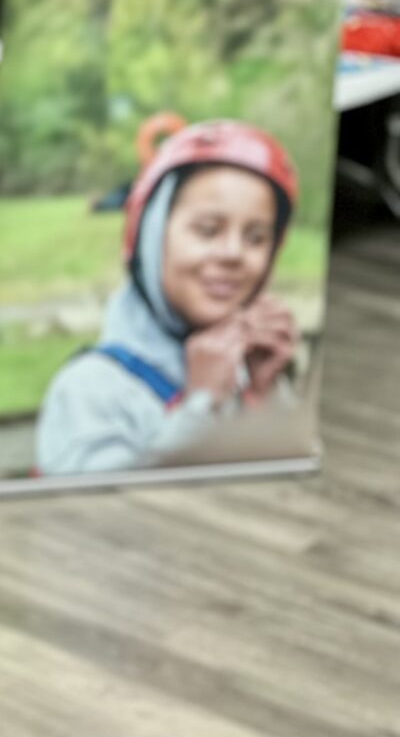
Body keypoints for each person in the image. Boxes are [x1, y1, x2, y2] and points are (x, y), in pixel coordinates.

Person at [35, 121, 302, 476]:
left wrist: (266, 397)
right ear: (149, 236)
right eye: (208, 230)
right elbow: (91, 512)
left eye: (256, 238)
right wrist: (201, 406)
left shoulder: (244, 371)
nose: (234, 253)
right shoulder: (89, 390)